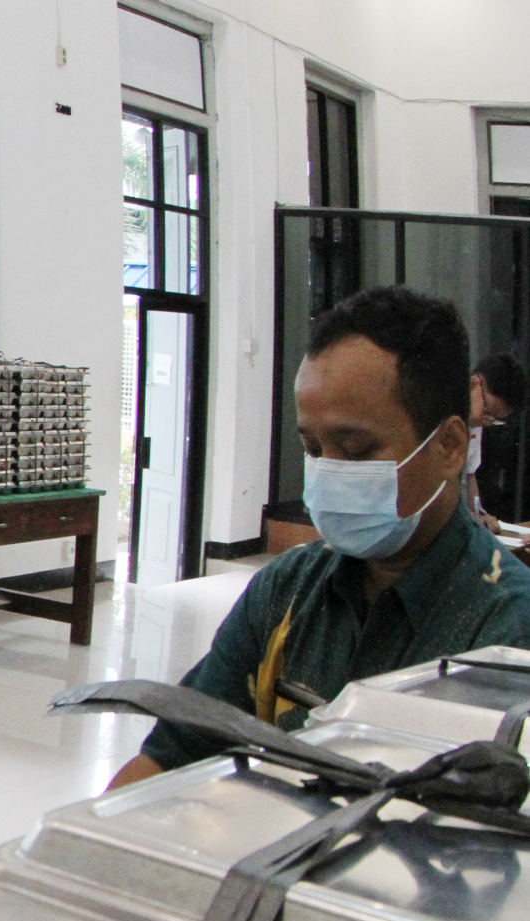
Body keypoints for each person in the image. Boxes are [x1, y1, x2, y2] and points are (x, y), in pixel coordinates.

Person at [110, 287, 530, 788]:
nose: (329, 474)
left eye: (355, 450)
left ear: (449, 446)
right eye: (313, 449)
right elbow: (172, 755)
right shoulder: (286, 589)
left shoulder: (506, 627)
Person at [467, 352, 524, 527]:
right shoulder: (438, 415)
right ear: (475, 383)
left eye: (494, 419)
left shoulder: (476, 422)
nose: (486, 421)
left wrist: (478, 514)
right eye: (487, 410)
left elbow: (470, 474)